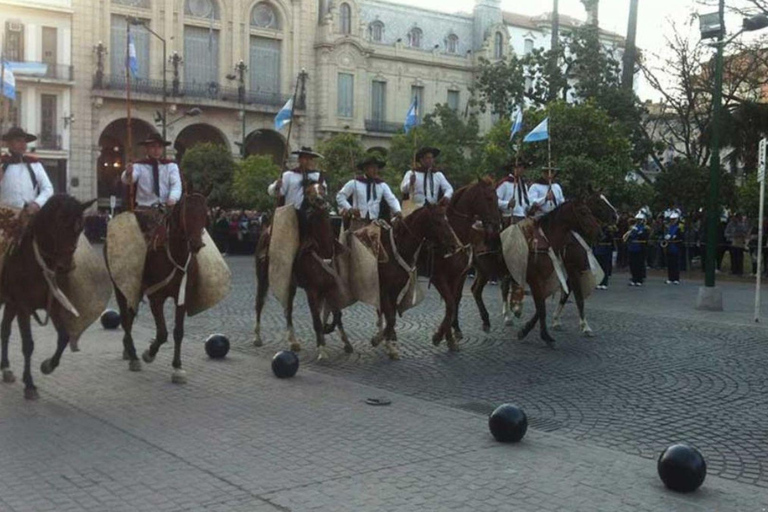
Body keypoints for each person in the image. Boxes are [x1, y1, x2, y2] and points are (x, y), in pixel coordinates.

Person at [337, 155, 401, 229]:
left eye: (376, 168)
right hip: (358, 222)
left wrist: (398, 210)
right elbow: (340, 196)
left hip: (374, 223)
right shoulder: (355, 183)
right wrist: (350, 209)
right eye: (372, 168)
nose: (375, 170)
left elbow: (392, 199)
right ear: (366, 169)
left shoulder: (382, 185)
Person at [121, 133, 182, 208]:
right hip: (144, 207)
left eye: (159, 147)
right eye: (153, 146)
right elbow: (129, 180)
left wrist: (173, 198)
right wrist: (128, 173)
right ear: (146, 149)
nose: (156, 150)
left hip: (166, 207)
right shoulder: (139, 166)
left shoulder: (171, 166)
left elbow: (176, 184)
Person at [0, 127, 54, 211]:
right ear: (9, 144)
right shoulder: (2, 164)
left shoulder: (35, 164)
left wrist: (37, 203)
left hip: (29, 214)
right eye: (18, 141)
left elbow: (48, 188)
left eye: (24, 141)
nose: (23, 144)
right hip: (5, 216)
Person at [624, 212, 649, 286]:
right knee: (632, 264)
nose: (638, 221)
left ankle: (639, 279)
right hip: (632, 248)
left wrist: (637, 232)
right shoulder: (632, 227)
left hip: (640, 248)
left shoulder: (645, 228)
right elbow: (628, 237)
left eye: (640, 220)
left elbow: (644, 236)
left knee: (639, 264)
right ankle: (634, 278)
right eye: (637, 220)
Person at [664, 211, 684, 284]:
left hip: (676, 247)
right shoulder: (669, 227)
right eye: (671, 219)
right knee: (670, 264)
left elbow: (681, 237)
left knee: (676, 264)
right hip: (670, 247)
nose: (672, 221)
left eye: (674, 219)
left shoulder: (679, 227)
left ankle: (676, 278)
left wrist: (675, 237)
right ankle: (670, 278)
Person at [593, 224, 616, 289]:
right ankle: (599, 282)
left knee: (605, 268)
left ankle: (604, 283)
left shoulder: (609, 234)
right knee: (599, 268)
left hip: (605, 251)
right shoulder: (596, 234)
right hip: (598, 251)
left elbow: (611, 243)